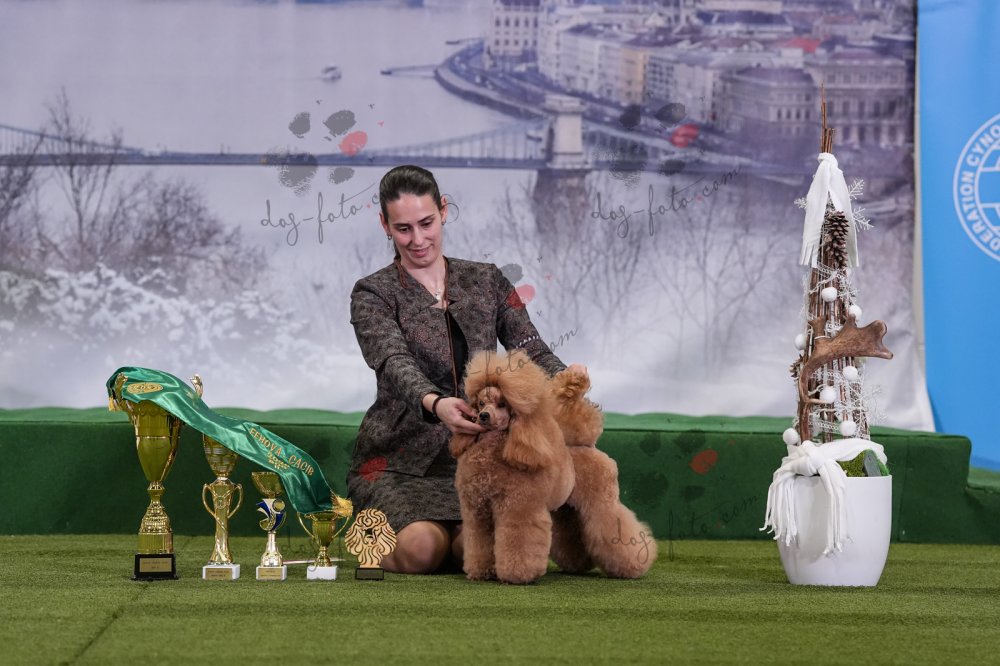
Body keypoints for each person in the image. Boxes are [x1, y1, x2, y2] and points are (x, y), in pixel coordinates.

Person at [347, 164, 585, 574]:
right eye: (403, 229)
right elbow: (393, 362)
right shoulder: (371, 293)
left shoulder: (488, 280)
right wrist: (435, 403)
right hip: (398, 464)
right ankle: (364, 537)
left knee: (475, 551)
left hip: (483, 459)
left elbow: (530, 348)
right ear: (385, 225)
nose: (418, 239)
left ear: (443, 210)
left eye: (426, 223)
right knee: (423, 549)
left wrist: (569, 382)